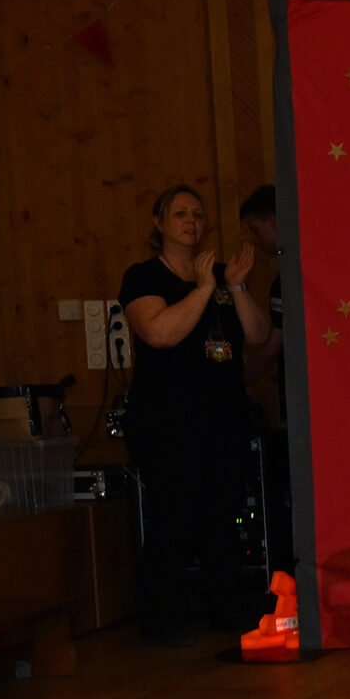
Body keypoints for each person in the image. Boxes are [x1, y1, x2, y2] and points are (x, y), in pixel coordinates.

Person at [118, 184, 268, 644]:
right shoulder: (144, 276)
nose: (191, 221)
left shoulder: (221, 275)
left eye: (198, 214)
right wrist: (204, 289)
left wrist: (234, 286)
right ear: (159, 223)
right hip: (168, 422)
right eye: (181, 213)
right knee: (174, 515)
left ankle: (229, 609)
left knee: (224, 514)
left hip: (223, 418)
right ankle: (162, 618)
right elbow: (159, 332)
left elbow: (257, 335)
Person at [236, 184, 295, 572]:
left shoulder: (289, 278)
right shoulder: (287, 278)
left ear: (273, 221)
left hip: (305, 411)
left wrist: (235, 381)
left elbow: (272, 346)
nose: (256, 243)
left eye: (257, 232)